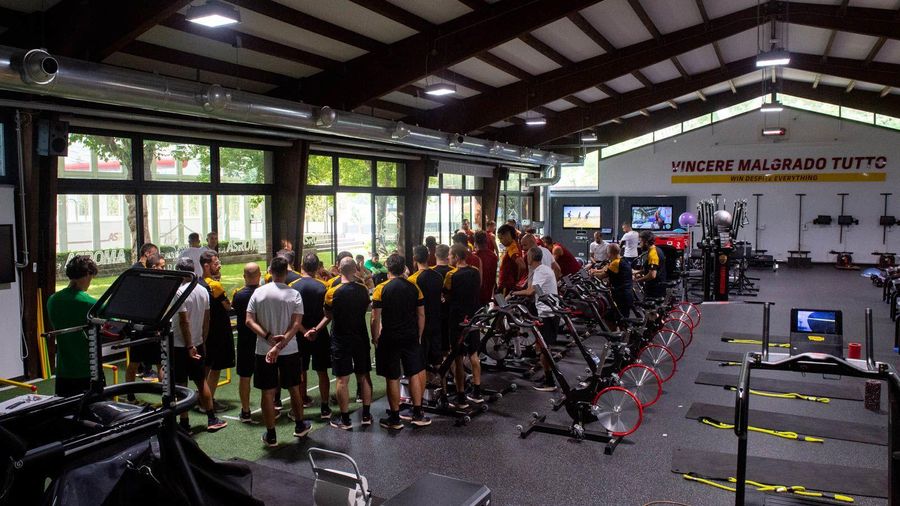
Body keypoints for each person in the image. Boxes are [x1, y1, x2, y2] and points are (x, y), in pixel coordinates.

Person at [245, 256, 312, 447]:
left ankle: (271, 434)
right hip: (289, 349)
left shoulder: (258, 293)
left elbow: (249, 321)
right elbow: (296, 324)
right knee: (294, 388)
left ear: (270, 271)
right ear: (287, 272)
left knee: (267, 393)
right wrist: (280, 345)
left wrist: (268, 338)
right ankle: (300, 425)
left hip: (263, 350)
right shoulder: (294, 294)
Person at [309, 258, 373, 430]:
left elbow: (327, 315)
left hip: (340, 339)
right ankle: (366, 415)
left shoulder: (332, 292)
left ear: (338, 269)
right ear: (355, 269)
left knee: (342, 379)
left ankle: (345, 420)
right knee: (364, 375)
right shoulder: (363, 289)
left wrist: (316, 329)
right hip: (360, 337)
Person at [372, 254, 429, 429]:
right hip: (411, 335)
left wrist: (375, 338)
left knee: (392, 376)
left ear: (388, 268)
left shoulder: (381, 288)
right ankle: (417, 413)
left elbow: (375, 318)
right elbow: (421, 314)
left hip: (390, 337)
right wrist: (419, 335)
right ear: (404, 268)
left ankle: (395, 419)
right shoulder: (414, 287)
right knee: (414, 373)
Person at [171, 258, 227, 433]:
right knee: (201, 381)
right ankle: (211, 418)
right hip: (198, 342)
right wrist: (201, 340)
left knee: (181, 385)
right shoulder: (203, 290)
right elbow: (206, 319)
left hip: (182, 345)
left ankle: (185, 423)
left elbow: (184, 321)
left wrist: (189, 346)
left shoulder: (179, 292)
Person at [46, 255, 98, 397]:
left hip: (63, 371)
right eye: (91, 277)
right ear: (87, 275)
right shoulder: (89, 303)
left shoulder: (52, 300)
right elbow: (113, 320)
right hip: (87, 370)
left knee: (65, 408)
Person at [511, 247, 559, 392]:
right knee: (544, 348)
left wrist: (513, 293)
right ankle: (547, 376)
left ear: (531, 258)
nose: (526, 258)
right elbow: (536, 291)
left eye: (527, 256)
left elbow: (531, 291)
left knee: (545, 349)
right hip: (550, 312)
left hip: (547, 314)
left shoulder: (540, 271)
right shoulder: (545, 269)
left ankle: (550, 382)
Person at [294, 253, 334, 421]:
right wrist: (316, 330)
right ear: (318, 267)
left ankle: (301, 403)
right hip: (320, 334)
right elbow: (329, 314)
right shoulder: (324, 286)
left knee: (300, 370)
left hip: (299, 334)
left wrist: (304, 331)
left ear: (302, 266)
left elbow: (292, 315)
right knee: (322, 371)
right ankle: (325, 406)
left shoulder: (293, 286)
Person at [444, 244, 484, 408]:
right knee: (474, 354)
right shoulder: (475, 271)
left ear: (456, 257)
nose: (448, 258)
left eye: (450, 255)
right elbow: (477, 288)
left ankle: (461, 396)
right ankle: (477, 391)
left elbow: (446, 296)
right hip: (473, 316)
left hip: (457, 319)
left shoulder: (450, 275)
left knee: (458, 357)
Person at [199, 250, 235, 411]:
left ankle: (202, 397)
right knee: (215, 367)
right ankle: (208, 402)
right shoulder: (214, 286)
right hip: (217, 331)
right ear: (206, 266)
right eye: (215, 263)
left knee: (206, 366)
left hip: (205, 331)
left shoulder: (199, 283)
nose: (219, 265)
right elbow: (228, 306)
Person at [231, 262, 262, 423]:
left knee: (244, 377)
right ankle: (272, 406)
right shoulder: (264, 293)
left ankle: (245, 411)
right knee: (268, 376)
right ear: (260, 275)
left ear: (244, 276)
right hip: (263, 339)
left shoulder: (238, 295)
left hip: (244, 341)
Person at [410, 245, 445, 372]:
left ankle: (425, 382)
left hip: (420, 323)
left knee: (421, 360)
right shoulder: (438, 276)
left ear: (414, 258)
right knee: (437, 359)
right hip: (436, 319)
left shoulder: (413, 279)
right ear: (429, 256)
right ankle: (441, 382)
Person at [590, 243, 633, 321]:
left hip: (621, 295)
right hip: (626, 293)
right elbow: (607, 270)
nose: (607, 254)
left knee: (620, 319)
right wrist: (596, 271)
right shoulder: (622, 260)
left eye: (607, 252)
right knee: (612, 317)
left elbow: (602, 276)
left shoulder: (615, 263)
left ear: (611, 253)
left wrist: (592, 274)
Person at [635, 230, 667, 299]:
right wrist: (637, 272)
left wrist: (637, 280)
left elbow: (652, 275)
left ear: (646, 242)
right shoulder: (656, 249)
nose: (640, 244)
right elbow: (652, 268)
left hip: (655, 290)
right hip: (658, 287)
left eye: (641, 242)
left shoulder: (653, 254)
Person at [497, 224, 526, 295]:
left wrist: (517, 281)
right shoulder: (511, 246)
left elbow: (522, 266)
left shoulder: (512, 248)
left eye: (501, 238)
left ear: (507, 235)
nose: (500, 241)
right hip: (506, 284)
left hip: (507, 286)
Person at [473, 231, 498, 307]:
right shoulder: (493, 256)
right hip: (489, 290)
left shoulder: (475, 257)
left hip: (477, 292)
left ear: (475, 243)